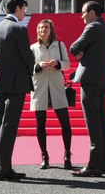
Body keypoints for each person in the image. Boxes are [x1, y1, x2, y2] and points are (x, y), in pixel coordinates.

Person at [0, 0, 34, 181]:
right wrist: (32, 71)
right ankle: (4, 168)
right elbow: (27, 56)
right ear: (18, 8)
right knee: (9, 125)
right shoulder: (19, 29)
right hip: (16, 81)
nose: (25, 12)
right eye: (24, 9)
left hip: (0, 80)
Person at [69, 1, 105, 177]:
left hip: (91, 79)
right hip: (102, 78)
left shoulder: (92, 27)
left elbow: (74, 48)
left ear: (93, 12)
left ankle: (94, 165)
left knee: (93, 123)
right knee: (102, 121)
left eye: (83, 12)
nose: (81, 16)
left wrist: (81, 52)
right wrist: (84, 52)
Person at [30, 19, 72, 170]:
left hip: (56, 87)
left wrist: (58, 63)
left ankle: (67, 155)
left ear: (51, 29)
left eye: (46, 27)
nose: (43, 29)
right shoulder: (33, 48)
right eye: (40, 27)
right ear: (37, 31)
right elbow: (28, 68)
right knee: (40, 124)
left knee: (65, 124)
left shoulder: (60, 45)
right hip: (39, 87)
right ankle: (44, 156)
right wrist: (38, 66)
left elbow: (68, 64)